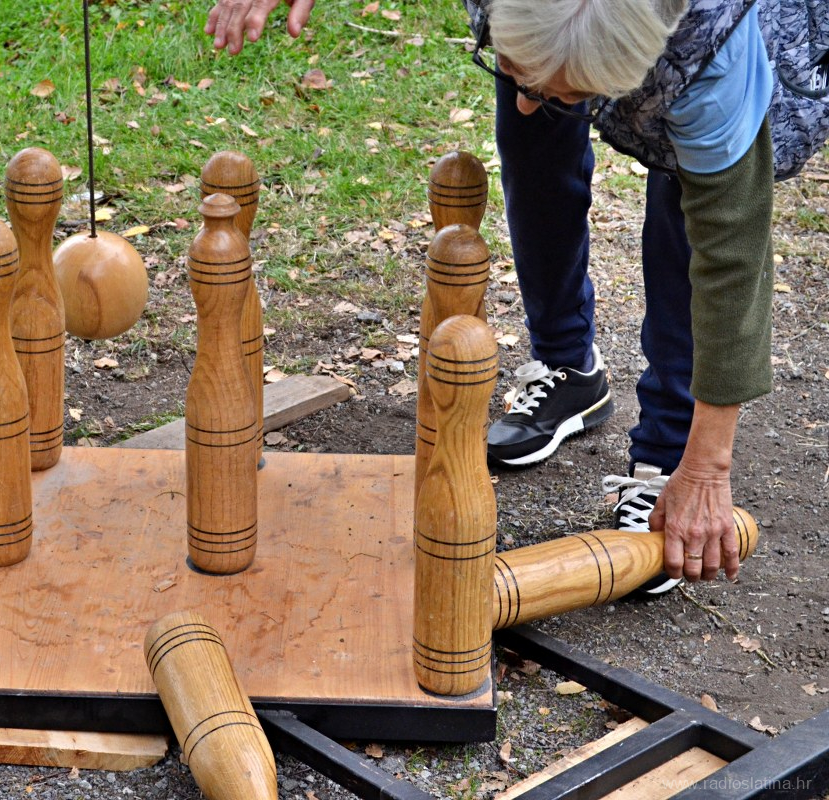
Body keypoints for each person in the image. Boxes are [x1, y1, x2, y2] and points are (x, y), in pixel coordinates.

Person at [204, 0, 829, 591]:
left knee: (683, 220)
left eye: (568, 92)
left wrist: (707, 467)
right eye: (511, 65)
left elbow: (730, 260)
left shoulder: (712, 55)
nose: (529, 101)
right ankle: (569, 369)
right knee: (533, 134)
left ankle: (668, 453)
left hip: (704, 49)